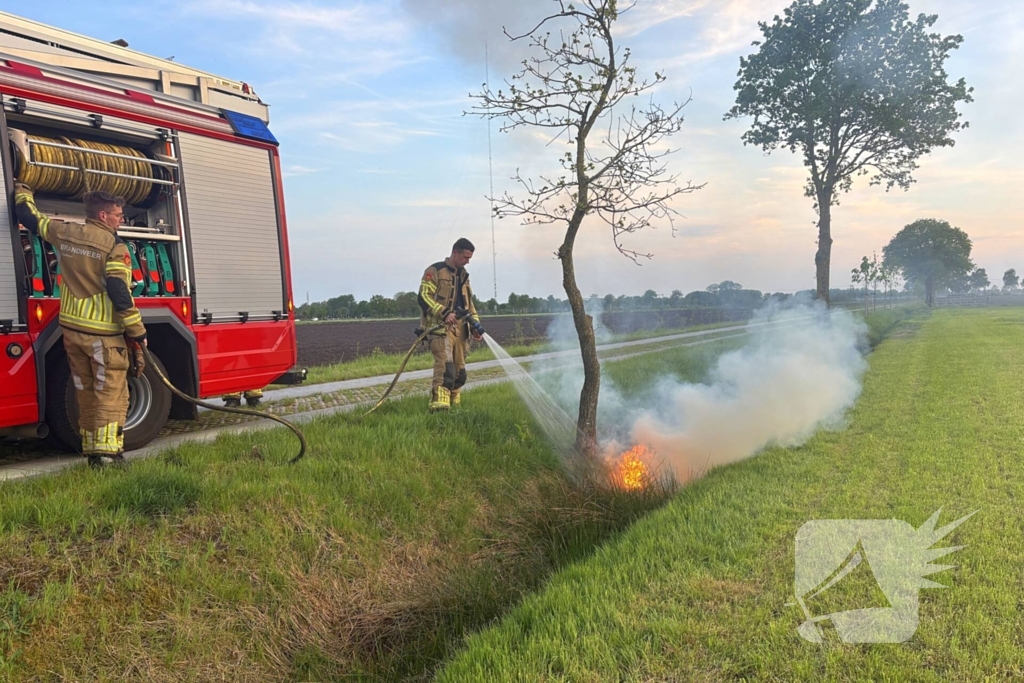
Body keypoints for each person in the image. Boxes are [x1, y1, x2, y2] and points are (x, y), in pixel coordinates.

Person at [14, 184, 147, 467]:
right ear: (102, 215)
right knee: (110, 392)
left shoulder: (65, 232)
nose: (121, 219)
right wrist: (137, 330)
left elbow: (30, 217)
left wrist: (22, 190)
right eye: (117, 215)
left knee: (85, 390)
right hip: (103, 335)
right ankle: (108, 457)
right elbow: (119, 290)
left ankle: (91, 451)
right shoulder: (115, 246)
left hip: (73, 332)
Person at [418, 238, 485, 411]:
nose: (468, 261)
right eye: (465, 257)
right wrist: (444, 313)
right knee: (446, 369)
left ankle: (455, 407)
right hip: (440, 330)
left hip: (460, 331)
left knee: (460, 372)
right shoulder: (435, 271)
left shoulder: (464, 277)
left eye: (469, 258)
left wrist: (475, 326)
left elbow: (470, 306)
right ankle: (439, 407)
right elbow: (423, 297)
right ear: (455, 252)